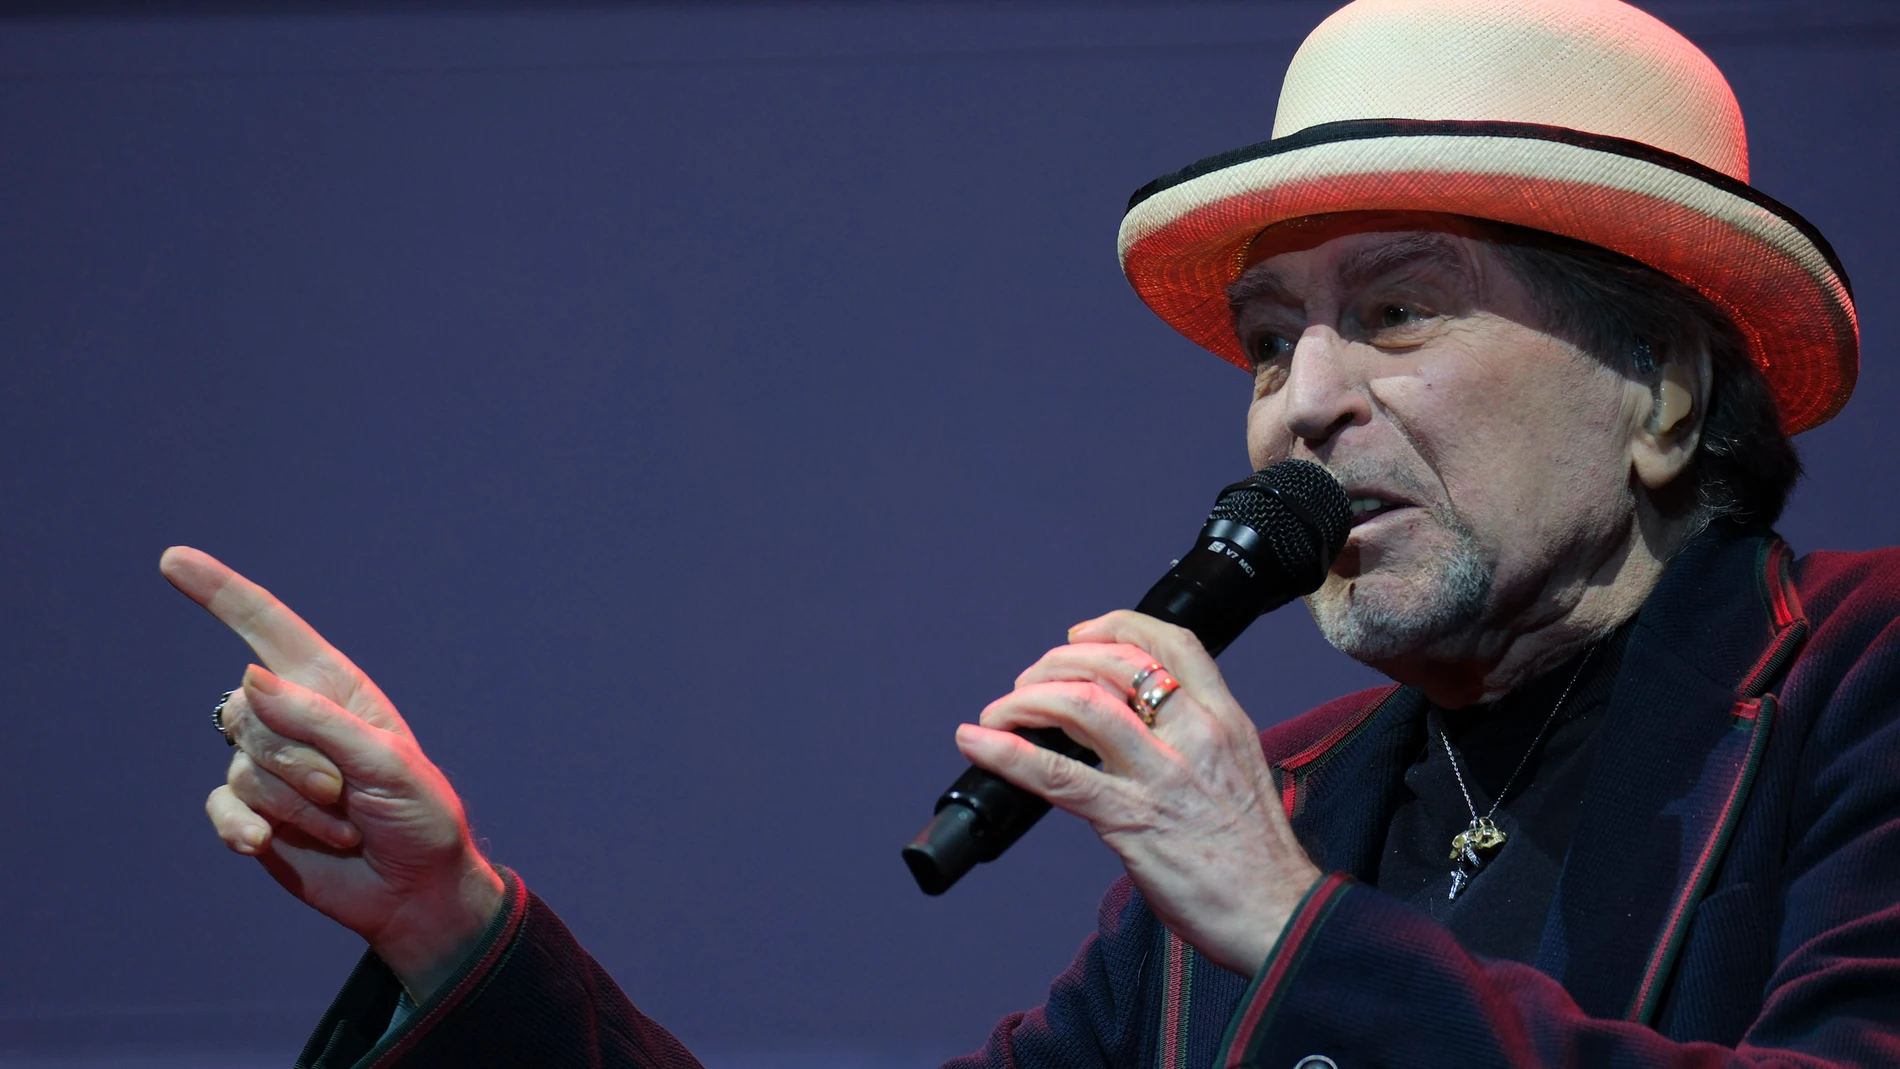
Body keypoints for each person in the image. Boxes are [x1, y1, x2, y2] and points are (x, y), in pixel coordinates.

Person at [165, 0, 1900, 1066]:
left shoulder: (1855, 681)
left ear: (1662, 387)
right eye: (1269, 342)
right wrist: (455, 925)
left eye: (1395, 313)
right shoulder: (1295, 794)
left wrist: (1288, 925)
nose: (1302, 405)